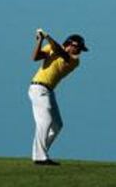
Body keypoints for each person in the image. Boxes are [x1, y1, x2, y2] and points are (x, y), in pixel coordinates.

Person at [28, 29, 88, 165]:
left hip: (48, 91)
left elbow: (60, 51)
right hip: (38, 88)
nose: (80, 52)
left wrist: (47, 36)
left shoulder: (74, 61)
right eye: (78, 48)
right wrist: (40, 41)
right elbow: (35, 57)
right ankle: (40, 156)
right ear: (71, 45)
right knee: (45, 122)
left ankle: (40, 153)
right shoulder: (52, 47)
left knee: (57, 125)